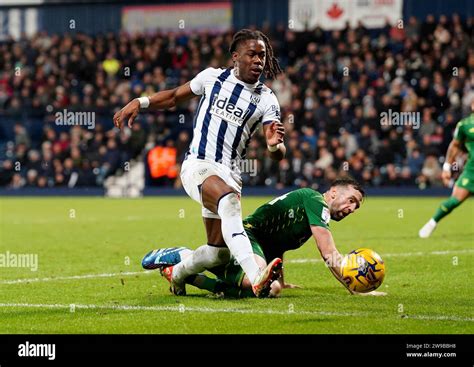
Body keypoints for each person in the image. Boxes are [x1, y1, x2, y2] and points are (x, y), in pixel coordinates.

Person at [114, 29, 286, 297]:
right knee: (228, 202)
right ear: (236, 56)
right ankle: (256, 276)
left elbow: (276, 152)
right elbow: (173, 97)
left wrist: (276, 146)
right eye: (252, 54)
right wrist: (141, 101)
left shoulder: (267, 99)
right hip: (198, 165)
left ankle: (178, 273)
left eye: (262, 56)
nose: (258, 61)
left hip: (230, 174)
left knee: (217, 254)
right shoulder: (212, 78)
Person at [142, 178, 366, 298]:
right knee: (262, 285)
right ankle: (184, 255)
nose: (352, 208)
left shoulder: (311, 210)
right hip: (247, 236)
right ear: (334, 192)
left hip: (257, 244)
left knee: (269, 288)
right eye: (352, 200)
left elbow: (278, 245)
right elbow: (329, 253)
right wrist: (353, 286)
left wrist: (283, 281)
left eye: (356, 206)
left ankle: (190, 276)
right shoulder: (316, 201)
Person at [419, 101, 474, 238]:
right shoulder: (464, 125)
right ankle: (432, 222)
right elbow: (455, 146)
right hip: (472, 170)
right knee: (455, 200)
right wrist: (446, 167)